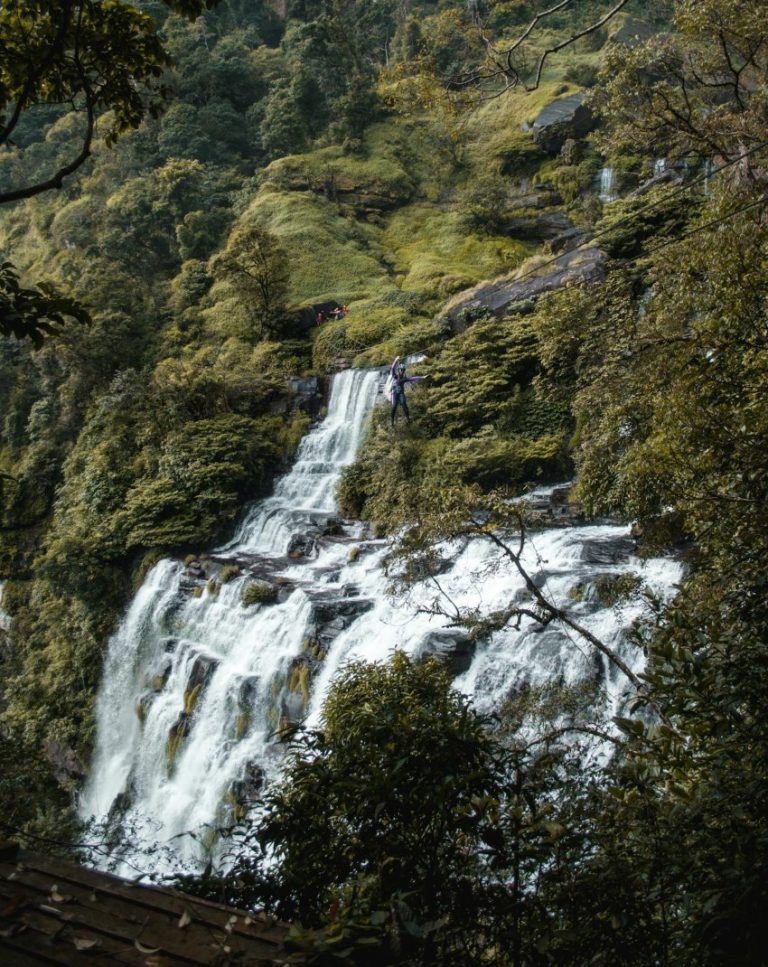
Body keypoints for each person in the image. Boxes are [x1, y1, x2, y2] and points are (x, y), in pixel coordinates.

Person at [387, 355, 425, 426]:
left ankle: (408, 418)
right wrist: (395, 360)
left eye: (403, 370)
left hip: (401, 393)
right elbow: (392, 369)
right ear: (399, 370)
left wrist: (422, 377)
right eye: (401, 370)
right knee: (394, 406)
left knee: (404, 404)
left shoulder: (405, 378)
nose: (402, 371)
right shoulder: (395, 376)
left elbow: (413, 378)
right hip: (394, 393)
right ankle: (392, 421)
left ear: (404, 371)